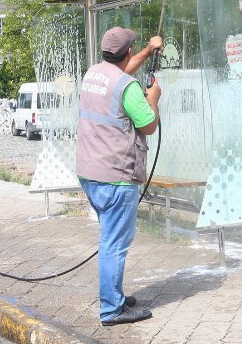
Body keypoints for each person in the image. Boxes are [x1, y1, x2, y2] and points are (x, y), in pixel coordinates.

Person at [75, 27, 162, 326]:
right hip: (115, 178)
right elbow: (149, 125)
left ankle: (115, 295)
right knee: (114, 243)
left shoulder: (94, 74)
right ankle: (112, 309)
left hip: (89, 173)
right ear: (126, 53)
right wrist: (154, 98)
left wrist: (149, 51)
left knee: (109, 238)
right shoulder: (128, 88)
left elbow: (122, 73)